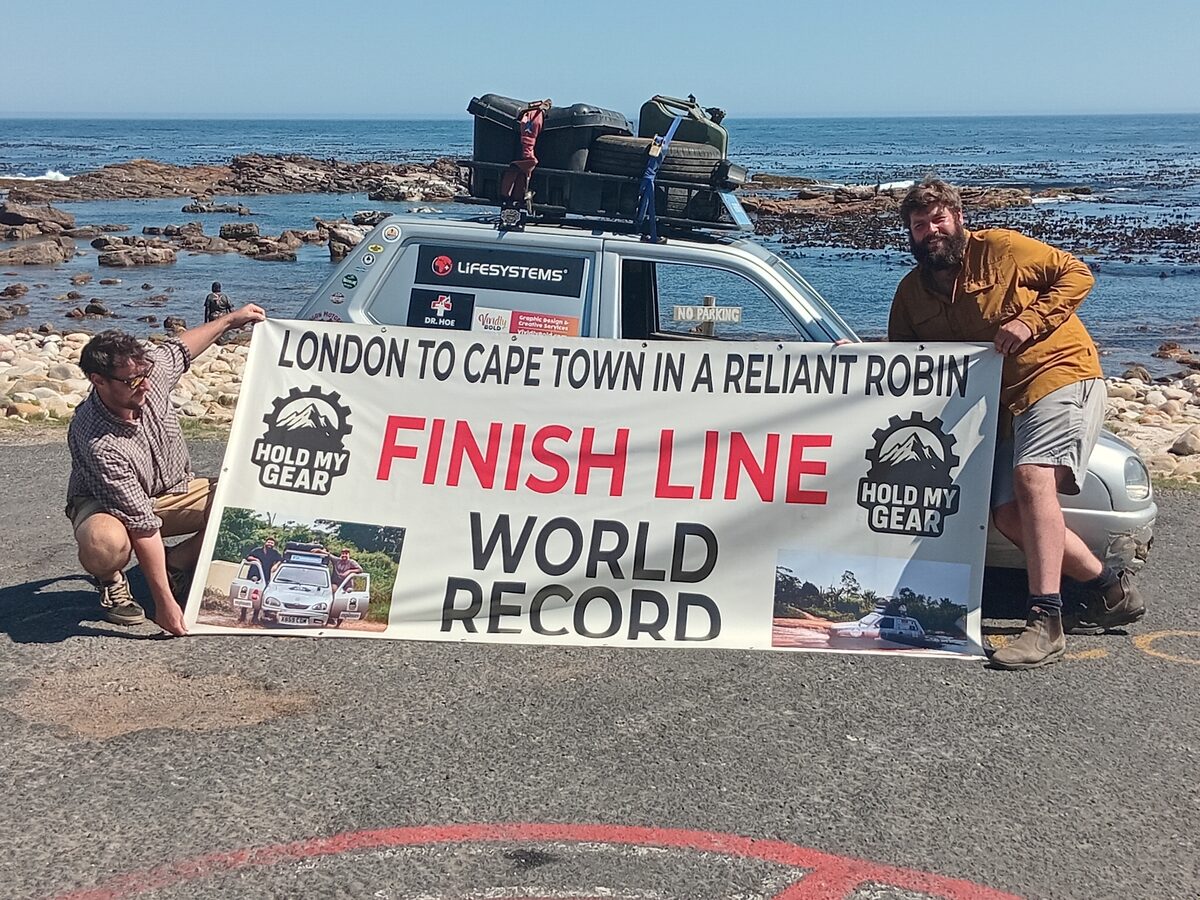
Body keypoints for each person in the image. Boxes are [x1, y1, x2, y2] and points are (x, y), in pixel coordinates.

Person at [888, 177, 1145, 670]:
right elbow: (907, 358)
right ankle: (1109, 590)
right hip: (1002, 404)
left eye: (939, 219)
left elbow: (1077, 273)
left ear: (957, 219)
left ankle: (1045, 620)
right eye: (920, 225)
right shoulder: (911, 294)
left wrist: (1032, 320)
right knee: (1006, 515)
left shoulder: (1003, 249)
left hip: (1058, 374)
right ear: (912, 235)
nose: (931, 230)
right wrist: (848, 359)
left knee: (1032, 477)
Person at [66, 304, 266, 636]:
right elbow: (141, 524)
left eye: (145, 374)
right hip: (106, 505)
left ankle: (176, 563)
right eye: (132, 381)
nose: (144, 386)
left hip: (173, 490)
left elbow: (181, 349)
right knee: (104, 542)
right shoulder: (96, 440)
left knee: (247, 503)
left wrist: (232, 320)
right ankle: (112, 580)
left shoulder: (147, 374)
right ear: (97, 380)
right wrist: (165, 605)